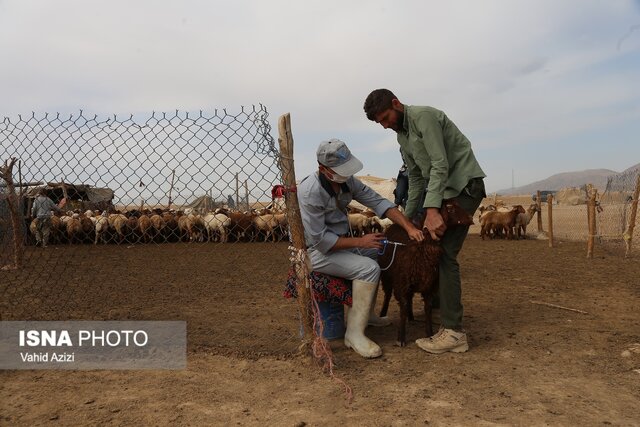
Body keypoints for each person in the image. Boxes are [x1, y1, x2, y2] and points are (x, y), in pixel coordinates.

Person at [363, 88, 486, 354]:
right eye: (380, 123)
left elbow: (440, 164)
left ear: (396, 104)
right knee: (423, 242)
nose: (385, 125)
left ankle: (454, 333)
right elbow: (417, 178)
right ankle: (439, 309)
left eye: (385, 118)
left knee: (443, 254)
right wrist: (406, 221)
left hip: (463, 188)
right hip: (443, 192)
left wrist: (431, 210)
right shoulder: (402, 138)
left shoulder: (424, 118)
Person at [298, 138, 424, 359]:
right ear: (323, 169)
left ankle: (368, 315)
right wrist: (360, 242)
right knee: (368, 268)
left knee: (383, 251)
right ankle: (354, 334)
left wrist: (408, 227)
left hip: (340, 243)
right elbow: (319, 241)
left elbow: (377, 202)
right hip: (314, 252)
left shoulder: (348, 182)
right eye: (339, 170)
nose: (345, 175)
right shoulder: (310, 192)